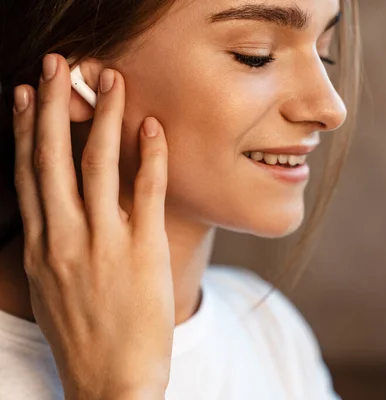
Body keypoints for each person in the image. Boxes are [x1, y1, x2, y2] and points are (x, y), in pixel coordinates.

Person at [0, 0, 361, 398]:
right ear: (79, 82)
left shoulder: (268, 328)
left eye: (324, 54)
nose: (331, 109)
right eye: (255, 56)